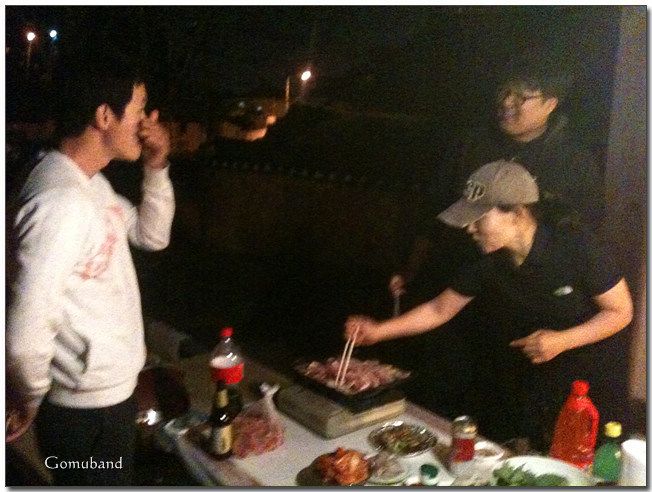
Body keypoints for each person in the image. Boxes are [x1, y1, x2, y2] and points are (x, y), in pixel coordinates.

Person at [346, 160, 632, 450]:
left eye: (478, 219)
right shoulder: (487, 258)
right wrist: (378, 331)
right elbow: (439, 309)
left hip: (584, 383)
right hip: (527, 375)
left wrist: (562, 340)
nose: (469, 228)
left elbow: (620, 311)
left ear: (517, 214)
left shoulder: (573, 244)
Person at [6, 56, 175, 486]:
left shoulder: (90, 184)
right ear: (104, 115)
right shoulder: (59, 201)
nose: (146, 123)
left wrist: (156, 166)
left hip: (105, 400)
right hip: (84, 414)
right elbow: (26, 327)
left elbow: (151, 235)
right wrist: (29, 396)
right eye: (139, 109)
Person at [389, 63, 605, 303]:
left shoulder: (573, 162)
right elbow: (434, 208)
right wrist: (412, 266)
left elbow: (582, 231)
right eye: (504, 91)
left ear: (550, 104)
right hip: (457, 277)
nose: (507, 102)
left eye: (521, 96)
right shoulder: (470, 145)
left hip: (526, 290)